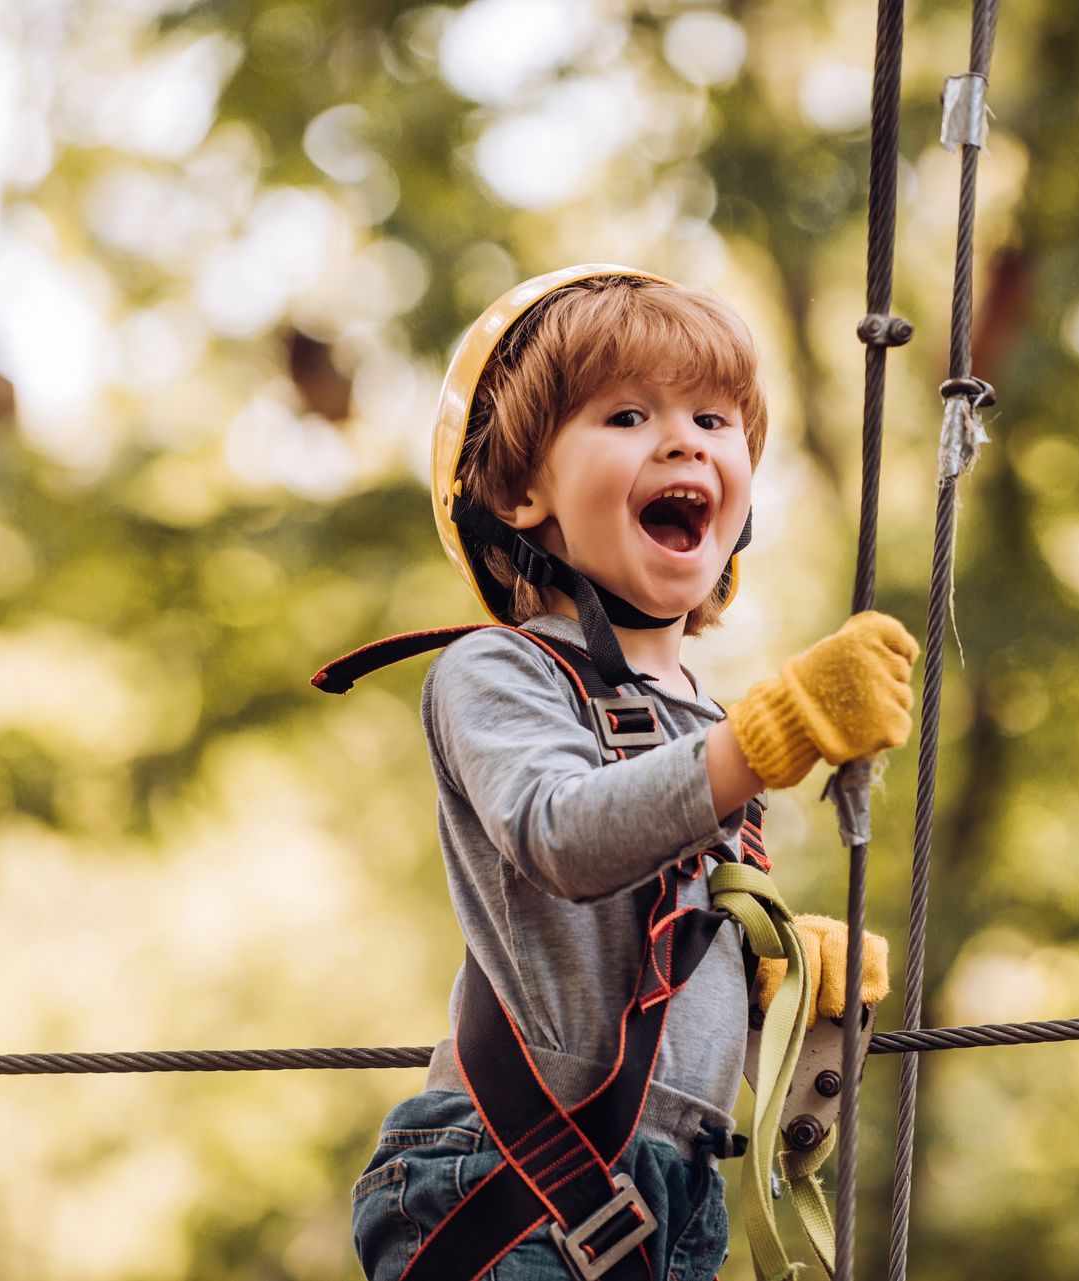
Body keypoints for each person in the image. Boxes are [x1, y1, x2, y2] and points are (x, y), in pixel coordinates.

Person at [344, 265, 918, 1281]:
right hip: (505, 1179)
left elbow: (642, 943)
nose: (685, 439)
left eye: (712, 417)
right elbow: (566, 834)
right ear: (522, 493)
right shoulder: (497, 669)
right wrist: (768, 737)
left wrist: (763, 964)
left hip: (671, 1195)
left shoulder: (704, 722)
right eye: (624, 415)